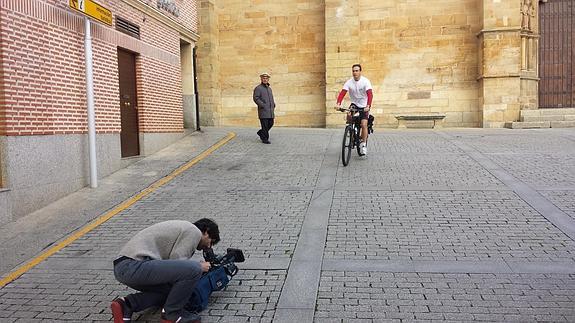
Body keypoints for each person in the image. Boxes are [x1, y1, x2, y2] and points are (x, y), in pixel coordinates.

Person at [110, 218, 220, 323]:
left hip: (124, 268)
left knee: (174, 292)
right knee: (194, 269)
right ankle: (172, 314)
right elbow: (178, 261)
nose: (209, 246)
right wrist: (200, 266)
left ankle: (127, 304)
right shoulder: (194, 231)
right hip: (133, 265)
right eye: (211, 241)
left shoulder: (183, 228)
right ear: (206, 232)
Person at [335, 64, 373, 156]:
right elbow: (342, 93)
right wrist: (338, 103)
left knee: (363, 124)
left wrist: (368, 105)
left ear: (360, 71)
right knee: (349, 114)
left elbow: (370, 94)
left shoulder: (365, 81)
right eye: (353, 71)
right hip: (354, 104)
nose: (355, 72)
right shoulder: (349, 82)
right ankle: (350, 130)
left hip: (364, 105)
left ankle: (363, 145)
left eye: (357, 71)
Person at [253, 72, 276, 144]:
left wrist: (273, 104)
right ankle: (265, 139)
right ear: (261, 79)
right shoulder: (258, 88)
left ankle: (261, 132)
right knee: (265, 125)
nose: (265, 79)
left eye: (266, 78)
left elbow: (271, 98)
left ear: (268, 79)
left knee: (271, 123)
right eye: (263, 78)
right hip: (263, 110)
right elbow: (256, 98)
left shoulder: (269, 89)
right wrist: (262, 105)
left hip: (270, 111)